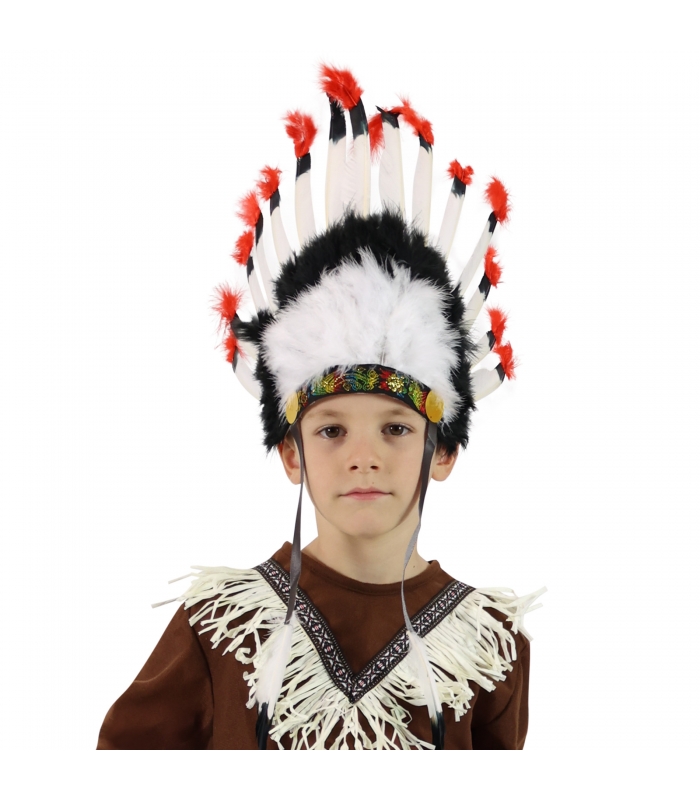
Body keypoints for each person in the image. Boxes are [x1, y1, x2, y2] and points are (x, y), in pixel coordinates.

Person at [97, 65, 544, 751]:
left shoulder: (488, 646)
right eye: (331, 429)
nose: (363, 455)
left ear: (445, 452)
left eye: (396, 428)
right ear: (290, 453)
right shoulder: (219, 627)